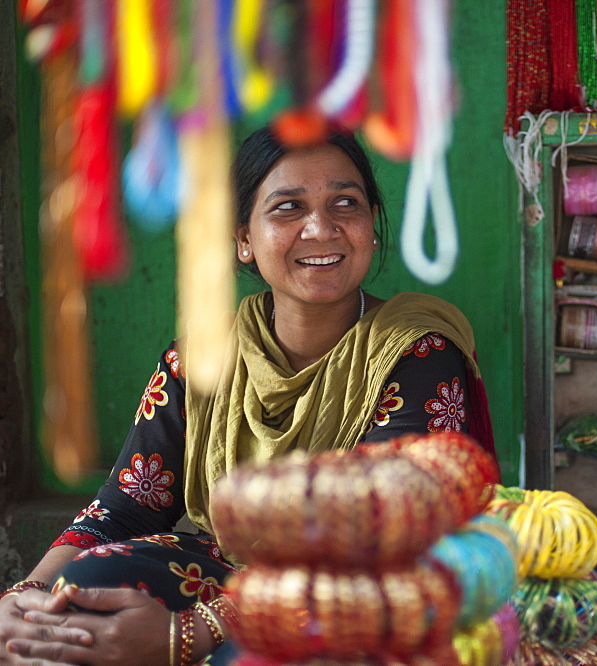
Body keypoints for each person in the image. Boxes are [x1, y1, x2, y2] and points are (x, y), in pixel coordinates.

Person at [0, 126, 496, 664]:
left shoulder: (416, 351)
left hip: (368, 588)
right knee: (81, 587)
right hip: (232, 575)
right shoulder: (201, 360)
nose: (320, 228)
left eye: (345, 204)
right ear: (244, 238)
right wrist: (25, 597)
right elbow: (128, 507)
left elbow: (385, 535)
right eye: (287, 208)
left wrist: (189, 633)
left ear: (371, 226)